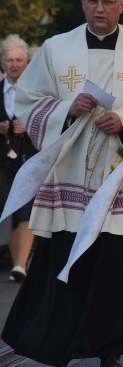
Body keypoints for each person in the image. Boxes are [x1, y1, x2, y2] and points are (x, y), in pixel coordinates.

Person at [1, 0, 123, 367]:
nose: (99, 9)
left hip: (120, 178)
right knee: (64, 267)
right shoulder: (56, 48)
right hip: (68, 179)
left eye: (107, 1)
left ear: (121, 4)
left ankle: (109, 350)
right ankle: (60, 347)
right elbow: (27, 99)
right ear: (82, 2)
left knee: (114, 271)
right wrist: (64, 109)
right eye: (92, 1)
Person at [0, 35, 38, 281]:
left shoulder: (36, 90)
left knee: (26, 207)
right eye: (9, 60)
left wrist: (30, 125)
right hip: (3, 159)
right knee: (8, 207)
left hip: (29, 155)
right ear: (2, 62)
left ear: (26, 62)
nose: (14, 64)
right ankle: (17, 262)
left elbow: (50, 119)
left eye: (19, 60)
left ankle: (21, 264)